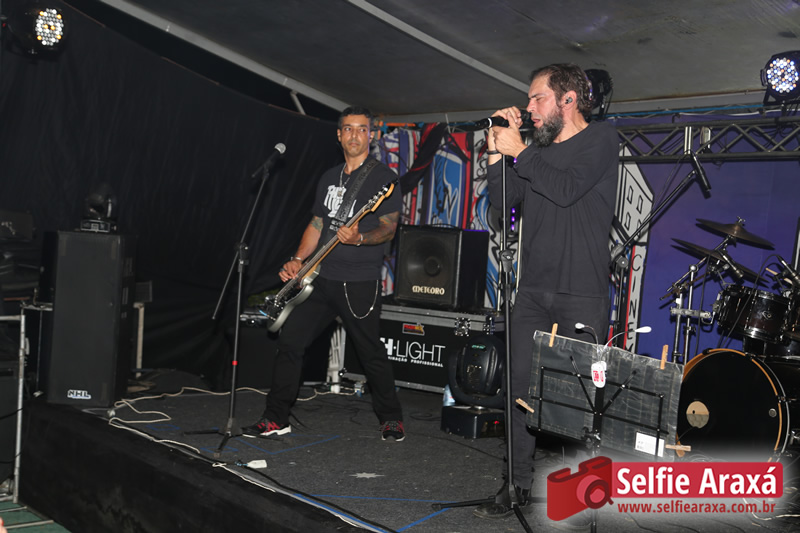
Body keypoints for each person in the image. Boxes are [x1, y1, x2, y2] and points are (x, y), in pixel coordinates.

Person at [474, 64, 619, 520]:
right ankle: (515, 484)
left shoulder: (601, 139)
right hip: (534, 291)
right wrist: (496, 151)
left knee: (578, 400)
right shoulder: (533, 151)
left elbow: (566, 189)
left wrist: (519, 151)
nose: (529, 107)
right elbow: (504, 203)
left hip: (582, 293)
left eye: (538, 98)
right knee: (519, 389)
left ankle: (581, 495)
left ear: (568, 99)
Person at [244, 106, 405, 441]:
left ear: (371, 135)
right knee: (290, 341)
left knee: (370, 351)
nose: (354, 135)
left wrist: (360, 238)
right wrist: (298, 260)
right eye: (348, 129)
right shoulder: (329, 177)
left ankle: (391, 417)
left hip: (359, 281)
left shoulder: (383, 179)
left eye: (361, 129)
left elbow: (389, 228)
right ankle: (276, 417)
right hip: (320, 278)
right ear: (339, 135)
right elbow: (317, 224)